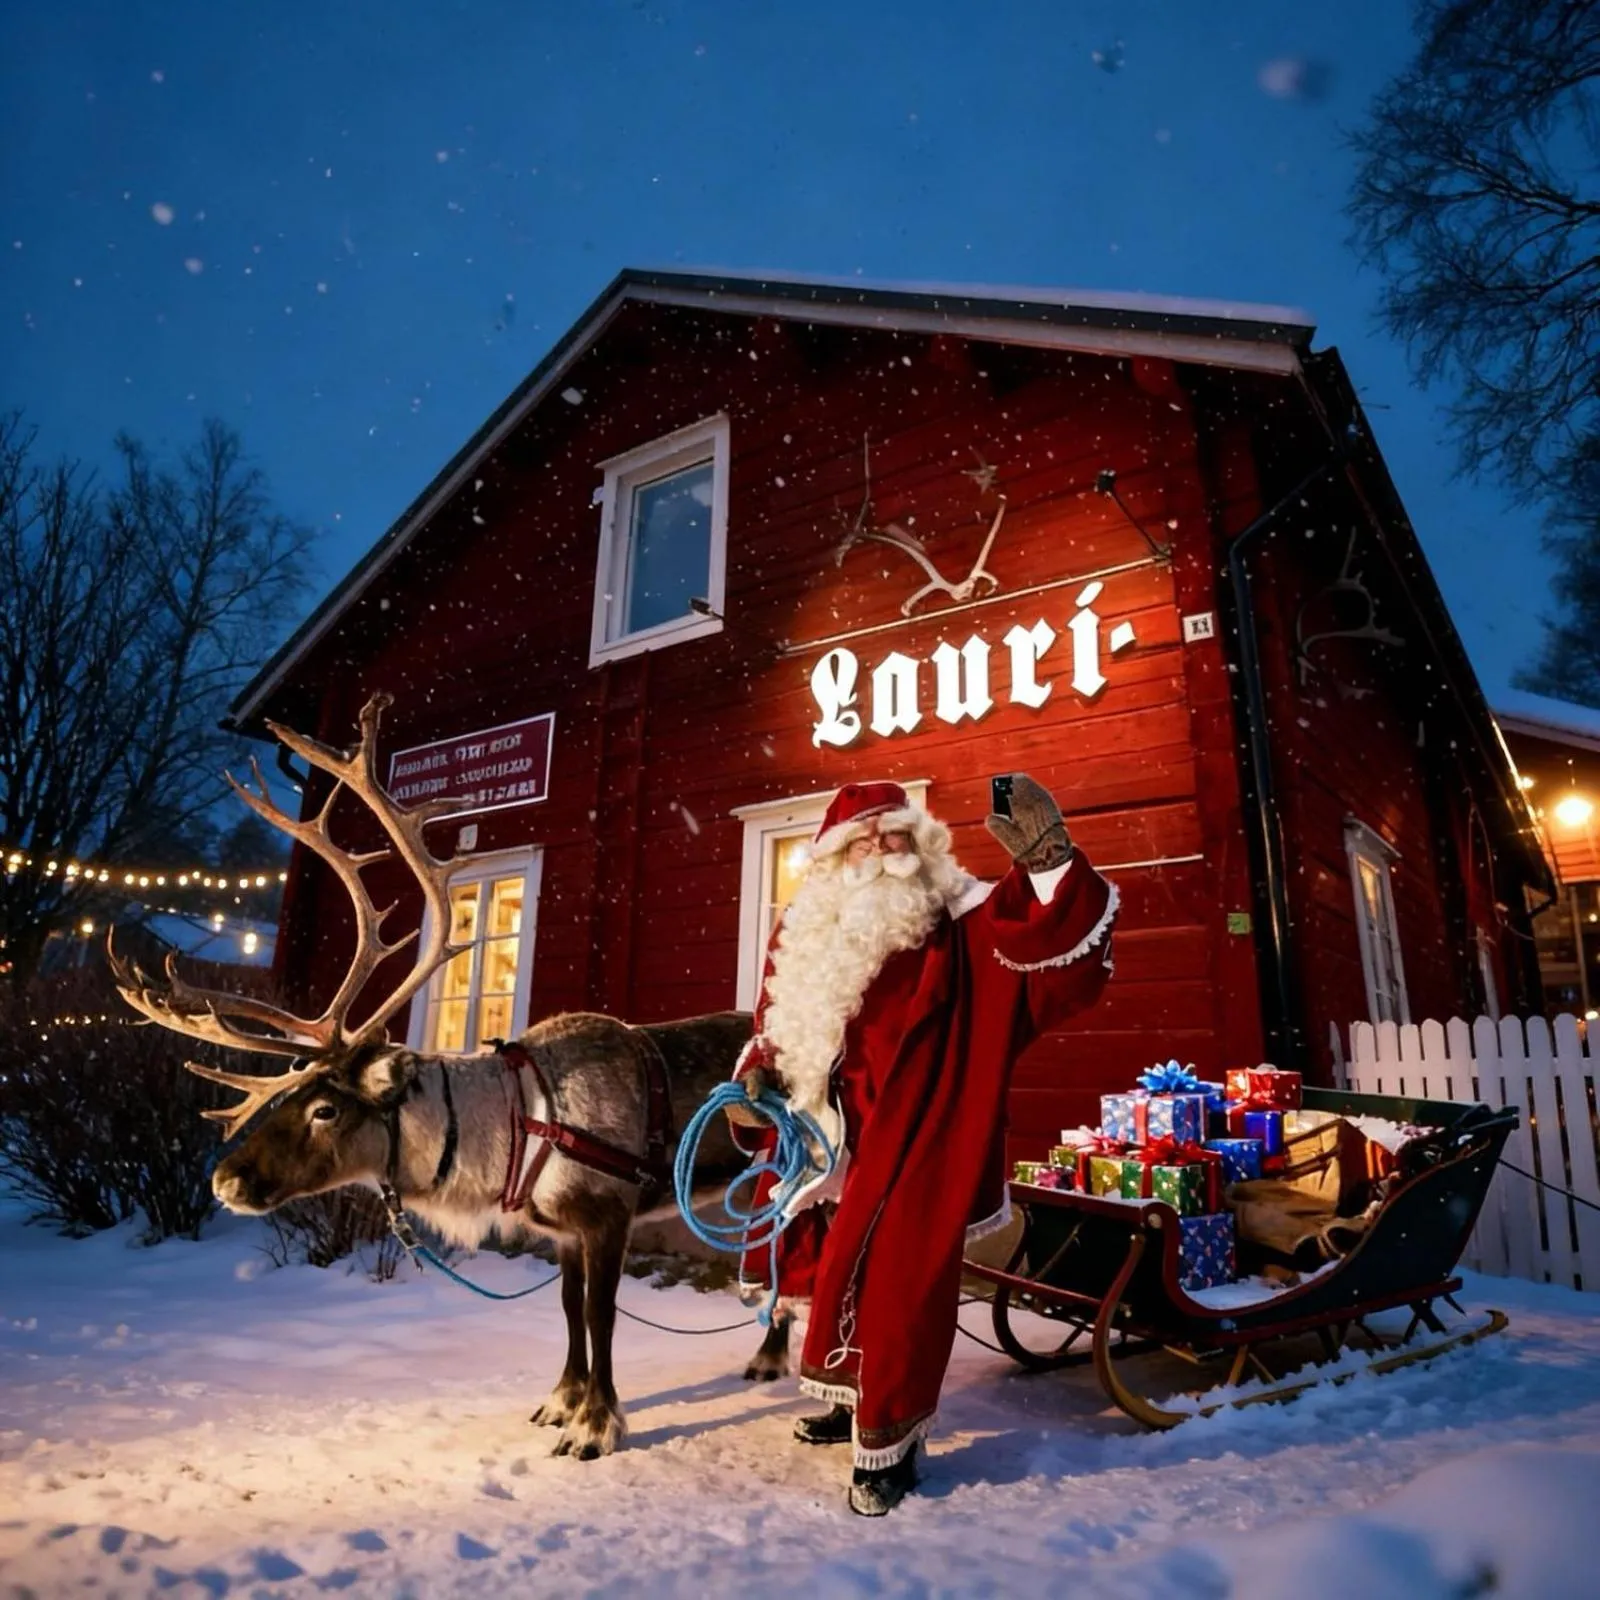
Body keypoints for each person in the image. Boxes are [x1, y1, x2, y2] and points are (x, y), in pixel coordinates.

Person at [727, 773, 1117, 1515]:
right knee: (835, 1272)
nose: (878, 848)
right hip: (827, 1135)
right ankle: (849, 1401)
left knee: (901, 1286)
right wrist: (757, 1078)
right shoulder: (805, 927)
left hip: (920, 1126)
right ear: (835, 855)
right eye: (859, 839)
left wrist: (1047, 860)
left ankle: (890, 1441)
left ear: (921, 839)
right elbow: (772, 1020)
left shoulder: (962, 919)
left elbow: (1051, 954)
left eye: (892, 832)